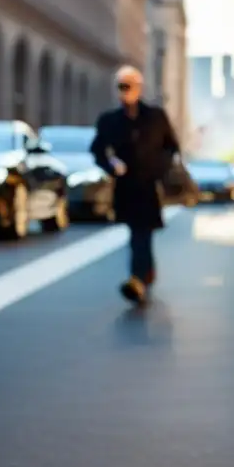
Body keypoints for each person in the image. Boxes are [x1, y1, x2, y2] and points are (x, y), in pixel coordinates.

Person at [90, 66, 180, 304]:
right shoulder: (109, 121)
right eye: (121, 86)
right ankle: (143, 276)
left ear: (138, 88)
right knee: (137, 233)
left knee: (143, 233)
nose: (125, 91)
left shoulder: (156, 117)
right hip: (126, 188)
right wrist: (111, 164)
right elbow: (97, 151)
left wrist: (160, 169)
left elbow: (171, 147)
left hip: (150, 186)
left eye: (128, 86)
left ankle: (138, 278)